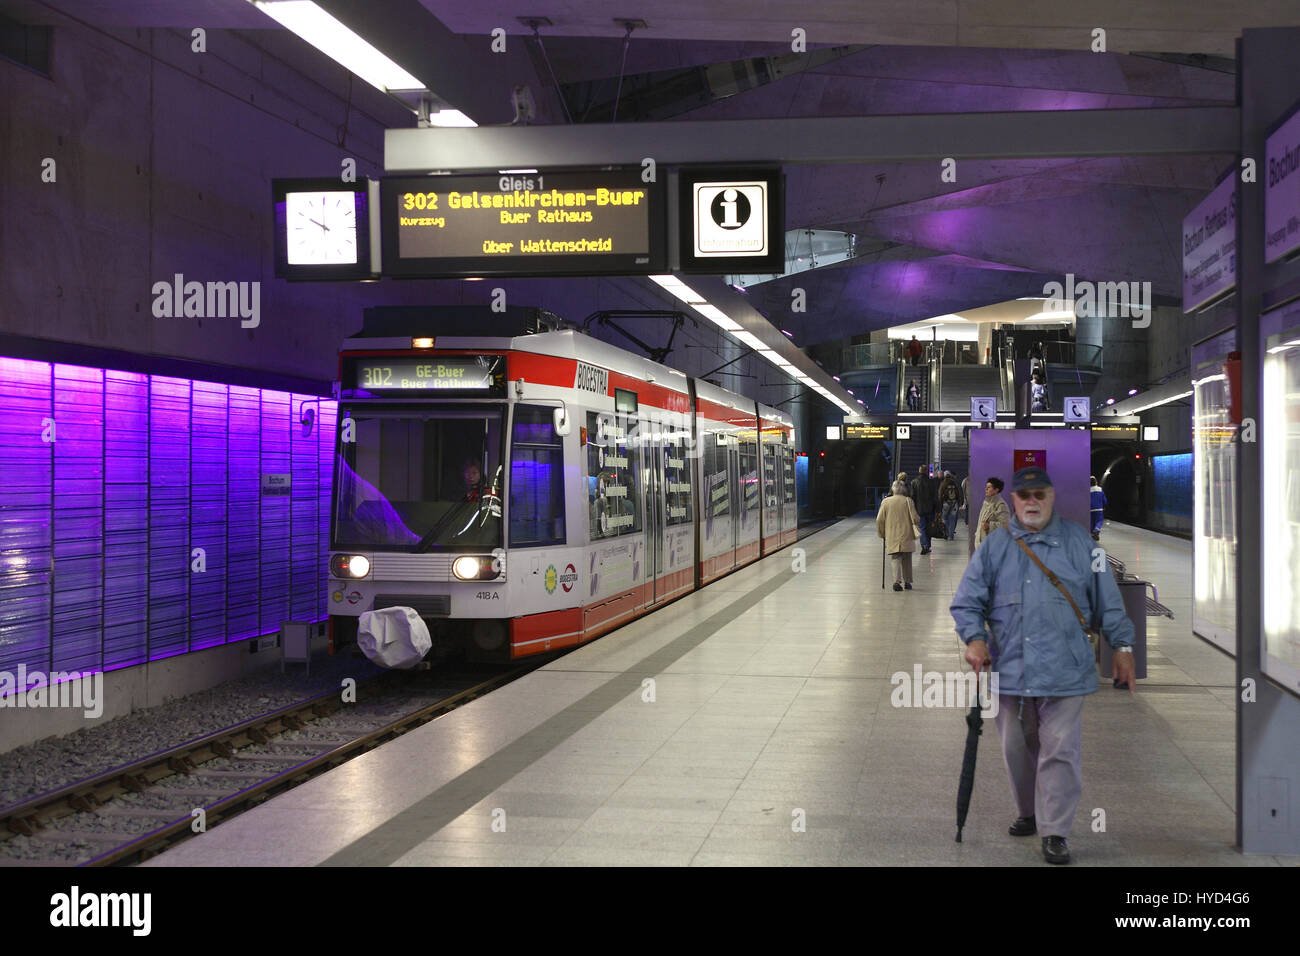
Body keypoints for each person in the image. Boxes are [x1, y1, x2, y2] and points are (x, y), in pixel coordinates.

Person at [950, 467, 1136, 865]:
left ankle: (1054, 831)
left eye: (1040, 494)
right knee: (1016, 748)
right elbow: (967, 600)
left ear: (1052, 497)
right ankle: (1029, 811)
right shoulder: (995, 547)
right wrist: (975, 638)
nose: (1032, 502)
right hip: (1010, 671)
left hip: (1065, 671)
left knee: (1060, 750)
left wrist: (1121, 645)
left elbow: (1109, 601)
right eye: (1025, 495)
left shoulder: (1085, 546)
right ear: (1013, 501)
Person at [877, 480, 920, 591]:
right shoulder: (908, 501)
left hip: (892, 534)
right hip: (907, 534)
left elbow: (879, 520)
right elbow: (915, 518)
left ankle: (896, 582)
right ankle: (907, 582)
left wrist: (882, 533)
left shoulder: (886, 502)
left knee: (895, 557)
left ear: (893, 489)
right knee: (907, 558)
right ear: (903, 490)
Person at [974, 477, 1011, 547]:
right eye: (986, 487)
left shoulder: (1001, 505)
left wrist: (989, 525)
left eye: (989, 487)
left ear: (996, 490)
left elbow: (1006, 526)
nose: (986, 489)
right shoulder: (986, 503)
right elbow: (980, 523)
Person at [912, 467, 938, 554]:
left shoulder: (914, 482)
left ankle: (924, 545)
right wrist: (938, 509)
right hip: (930, 509)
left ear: (919, 471)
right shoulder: (931, 482)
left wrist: (913, 509)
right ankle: (928, 545)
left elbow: (913, 497)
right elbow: (935, 497)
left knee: (922, 528)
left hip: (919, 510)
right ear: (926, 471)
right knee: (929, 528)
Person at [939, 471, 961, 540]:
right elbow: (958, 493)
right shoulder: (954, 483)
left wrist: (941, 503)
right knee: (952, 520)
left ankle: (946, 533)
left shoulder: (943, 483)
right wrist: (958, 502)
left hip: (946, 504)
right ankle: (951, 536)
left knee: (945, 519)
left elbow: (940, 494)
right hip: (954, 503)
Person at [1089, 475, 1107, 541]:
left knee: (1091, 522)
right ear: (1096, 482)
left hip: (1090, 510)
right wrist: (1104, 505)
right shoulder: (1100, 489)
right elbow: (1104, 500)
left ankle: (1092, 535)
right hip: (1098, 509)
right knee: (1099, 521)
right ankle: (1096, 531)